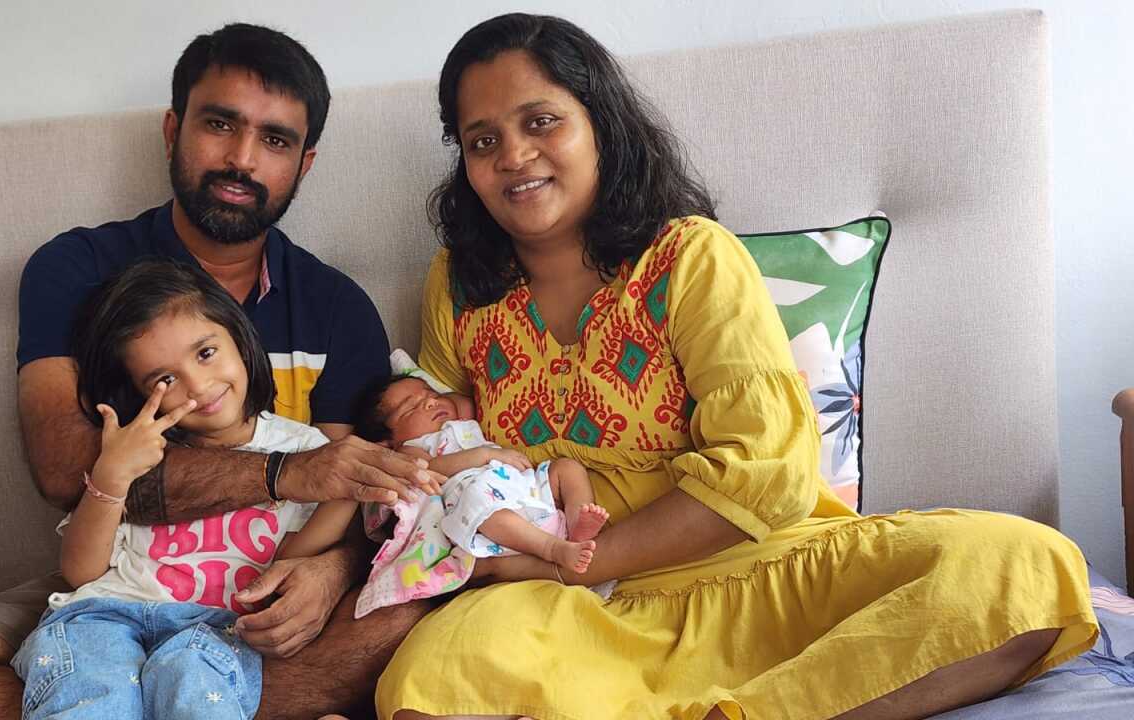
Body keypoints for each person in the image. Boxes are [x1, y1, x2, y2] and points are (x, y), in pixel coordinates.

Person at [375, 13, 1098, 720]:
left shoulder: (691, 257)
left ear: (601, 124)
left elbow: (766, 470)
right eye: (482, 139)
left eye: (541, 122)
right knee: (432, 678)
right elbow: (432, 454)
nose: (512, 155)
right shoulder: (460, 285)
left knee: (1022, 566)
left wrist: (584, 555)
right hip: (565, 606)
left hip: (750, 567)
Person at [0, 23, 439, 720]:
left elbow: (342, 491)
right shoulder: (78, 270)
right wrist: (282, 474)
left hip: (254, 592)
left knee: (408, 616)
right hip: (119, 579)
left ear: (304, 164)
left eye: (275, 140)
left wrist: (326, 570)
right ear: (173, 129)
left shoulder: (336, 306)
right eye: (220, 124)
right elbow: (62, 469)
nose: (242, 159)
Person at [16, 259, 340, 718]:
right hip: (105, 615)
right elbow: (82, 572)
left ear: (239, 337)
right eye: (164, 379)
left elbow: (297, 553)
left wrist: (351, 483)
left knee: (193, 680)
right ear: (136, 389)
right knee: (91, 689)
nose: (198, 385)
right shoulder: (137, 448)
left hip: (215, 632)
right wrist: (111, 475)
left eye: (205, 353)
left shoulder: (304, 449)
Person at [356, 375, 610, 573]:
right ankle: (553, 548)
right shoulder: (412, 448)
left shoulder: (460, 419)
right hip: (478, 501)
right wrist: (484, 456)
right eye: (411, 408)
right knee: (480, 503)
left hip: (523, 487)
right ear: (389, 442)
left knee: (567, 468)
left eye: (431, 394)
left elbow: (463, 398)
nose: (430, 402)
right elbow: (428, 470)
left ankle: (578, 525)